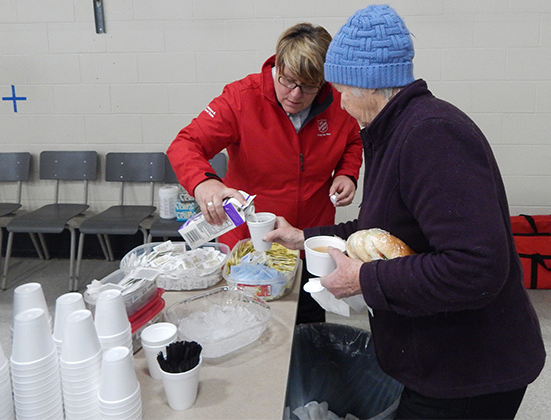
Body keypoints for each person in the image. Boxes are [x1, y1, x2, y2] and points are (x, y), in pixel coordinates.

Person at [263, 5, 546, 419]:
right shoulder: (392, 131)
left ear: (369, 85)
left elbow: (478, 267)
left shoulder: (431, 135)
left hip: (469, 371)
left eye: (342, 91)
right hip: (434, 356)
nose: (340, 104)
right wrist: (302, 238)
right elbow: (378, 231)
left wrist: (364, 278)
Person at [167, 22, 363, 323]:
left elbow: (353, 139)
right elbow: (185, 145)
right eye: (288, 81)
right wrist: (204, 184)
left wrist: (347, 173)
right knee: (252, 330)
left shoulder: (338, 101)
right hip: (253, 246)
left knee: (306, 329)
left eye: (308, 86)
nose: (296, 95)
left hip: (309, 241)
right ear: (278, 65)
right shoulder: (241, 99)